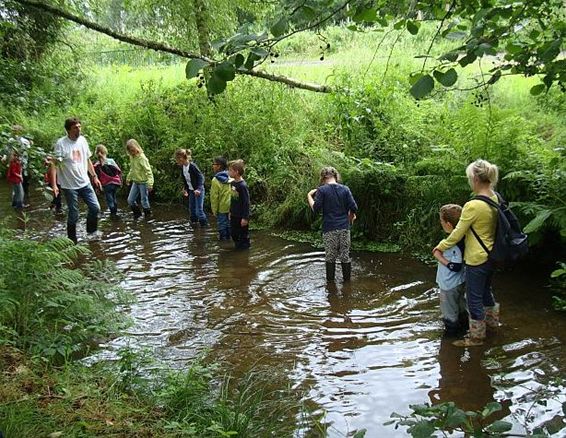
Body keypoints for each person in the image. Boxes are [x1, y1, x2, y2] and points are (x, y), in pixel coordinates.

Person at [433, 159, 500, 347]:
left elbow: (457, 233)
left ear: (475, 178)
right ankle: (492, 326)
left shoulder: (473, 205)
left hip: (477, 257)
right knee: (486, 292)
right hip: (492, 254)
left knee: (474, 298)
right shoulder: (494, 197)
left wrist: (440, 248)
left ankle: (476, 338)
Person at [50, 118, 101, 243]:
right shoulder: (61, 144)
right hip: (69, 185)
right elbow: (54, 165)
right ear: (68, 130)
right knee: (74, 213)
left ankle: (91, 233)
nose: (78, 129)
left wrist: (94, 176)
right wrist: (54, 186)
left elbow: (87, 160)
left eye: (79, 127)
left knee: (95, 208)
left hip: (85, 182)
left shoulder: (83, 140)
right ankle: (72, 240)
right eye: (75, 128)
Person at [307, 166, 358, 283]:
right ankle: (347, 285)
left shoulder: (322, 190)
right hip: (344, 228)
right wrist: (351, 215)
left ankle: (330, 288)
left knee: (330, 257)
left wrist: (309, 196)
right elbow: (354, 207)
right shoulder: (345, 189)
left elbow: (316, 208)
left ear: (323, 178)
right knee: (345, 256)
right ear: (336, 176)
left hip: (329, 228)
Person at [434, 204, 467, 337]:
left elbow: (456, 266)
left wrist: (439, 257)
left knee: (449, 316)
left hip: (449, 285)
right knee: (460, 310)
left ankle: (450, 343)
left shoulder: (453, 243)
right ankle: (464, 332)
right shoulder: (463, 237)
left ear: (448, 224)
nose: (440, 224)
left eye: (441, 221)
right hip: (459, 282)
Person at [174, 148, 208, 227]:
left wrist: (199, 189)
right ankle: (194, 226)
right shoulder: (182, 167)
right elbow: (186, 180)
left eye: (177, 159)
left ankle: (204, 227)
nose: (176, 161)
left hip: (198, 190)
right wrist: (185, 189)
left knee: (199, 210)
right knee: (192, 210)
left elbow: (201, 178)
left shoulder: (192, 166)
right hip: (191, 190)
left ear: (181, 158)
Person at [125, 139, 154, 219]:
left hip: (143, 182)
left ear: (137, 148)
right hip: (135, 181)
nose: (132, 153)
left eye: (133, 151)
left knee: (143, 200)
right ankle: (137, 215)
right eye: (130, 152)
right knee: (130, 200)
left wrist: (150, 183)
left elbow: (149, 171)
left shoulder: (142, 158)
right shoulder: (132, 157)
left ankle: (148, 217)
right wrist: (128, 177)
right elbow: (132, 169)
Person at [93, 144, 122, 216]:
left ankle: (112, 212)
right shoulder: (111, 161)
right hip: (115, 183)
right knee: (114, 196)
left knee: (109, 199)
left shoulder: (97, 165)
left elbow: (97, 177)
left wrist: (97, 188)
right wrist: (120, 182)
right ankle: (115, 212)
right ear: (105, 152)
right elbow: (118, 171)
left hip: (106, 184)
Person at [228, 159, 250, 249]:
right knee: (234, 233)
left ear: (236, 172)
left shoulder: (242, 186)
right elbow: (233, 199)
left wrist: (245, 218)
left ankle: (244, 250)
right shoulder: (233, 183)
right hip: (234, 214)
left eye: (230, 170)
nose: (228, 172)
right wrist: (230, 211)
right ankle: (238, 248)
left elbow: (246, 202)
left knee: (243, 235)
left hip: (241, 216)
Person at [210, 156, 231, 240]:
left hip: (222, 208)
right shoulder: (231, 176)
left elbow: (214, 197)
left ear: (219, 166)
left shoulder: (215, 180)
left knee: (222, 226)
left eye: (214, 164)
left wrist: (214, 210)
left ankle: (223, 244)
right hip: (232, 207)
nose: (212, 166)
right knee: (230, 225)